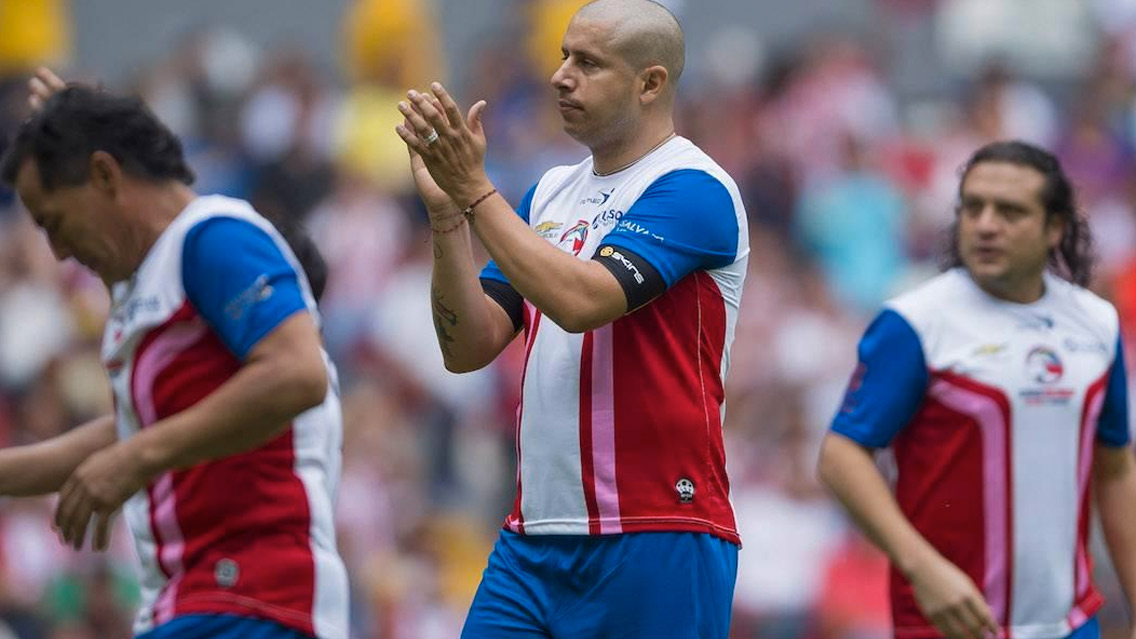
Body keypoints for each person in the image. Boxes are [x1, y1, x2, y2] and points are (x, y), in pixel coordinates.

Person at [395, 1, 749, 637]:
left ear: (650, 83)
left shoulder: (694, 187)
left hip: (656, 530)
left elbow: (582, 303)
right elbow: (467, 346)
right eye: (563, 56)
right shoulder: (548, 193)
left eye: (587, 63)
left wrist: (477, 192)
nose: (560, 75)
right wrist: (449, 215)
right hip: (531, 541)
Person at [0, 70, 348, 639]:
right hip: (198, 601)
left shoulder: (214, 236)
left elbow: (297, 373)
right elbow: (113, 440)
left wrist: (137, 458)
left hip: (257, 600)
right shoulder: (152, 284)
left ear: (104, 174)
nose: (59, 252)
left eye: (57, 223)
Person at [817, 140, 1136, 639]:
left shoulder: (1097, 324)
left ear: (1055, 228)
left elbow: (1116, 469)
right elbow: (841, 455)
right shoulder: (916, 322)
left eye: (1010, 211)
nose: (986, 224)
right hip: (948, 626)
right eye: (974, 207)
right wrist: (922, 567)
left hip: (1071, 625)